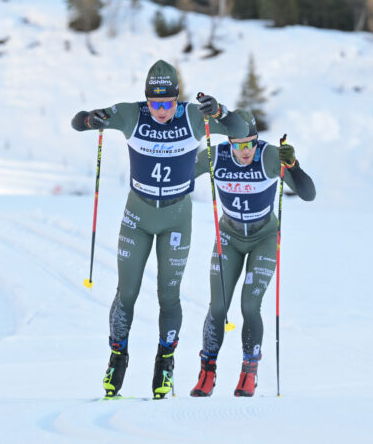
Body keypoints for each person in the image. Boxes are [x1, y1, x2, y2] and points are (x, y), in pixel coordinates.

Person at [71, 59, 249, 399]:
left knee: (168, 296)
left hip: (175, 218)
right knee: (127, 291)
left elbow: (241, 130)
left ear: (177, 98)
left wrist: (220, 110)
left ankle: (165, 362)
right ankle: (117, 358)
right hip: (137, 216)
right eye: (155, 103)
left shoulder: (193, 117)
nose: (162, 110)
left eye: (168, 102)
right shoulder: (129, 114)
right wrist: (90, 119)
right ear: (146, 99)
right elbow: (77, 122)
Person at [189, 109, 316, 397]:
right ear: (229, 141)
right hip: (229, 238)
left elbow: (308, 194)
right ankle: (207, 370)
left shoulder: (268, 156)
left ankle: (249, 371)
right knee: (218, 306)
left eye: (250, 144)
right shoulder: (217, 154)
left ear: (257, 140)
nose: (245, 151)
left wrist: (293, 165)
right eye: (238, 144)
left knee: (249, 305)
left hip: (264, 238)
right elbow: (182, 170)